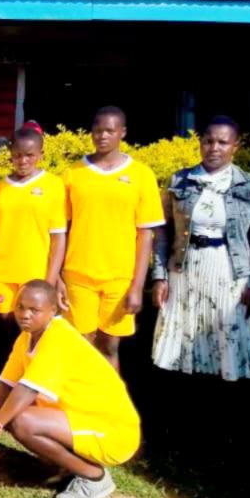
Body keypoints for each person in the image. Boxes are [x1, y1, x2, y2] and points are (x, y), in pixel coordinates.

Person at [0, 280, 141, 498]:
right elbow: (6, 383)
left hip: (113, 432)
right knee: (13, 412)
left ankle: (94, 478)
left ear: (52, 311)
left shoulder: (58, 337)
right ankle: (72, 463)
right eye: (20, 307)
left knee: (21, 420)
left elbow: (26, 390)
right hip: (79, 416)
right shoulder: (28, 337)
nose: (25, 315)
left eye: (34, 310)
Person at [151, 116, 250, 381]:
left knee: (226, 339)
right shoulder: (180, 180)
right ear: (200, 143)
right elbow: (162, 232)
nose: (214, 148)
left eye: (222, 142)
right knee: (183, 342)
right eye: (208, 141)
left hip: (228, 272)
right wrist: (159, 276)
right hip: (184, 270)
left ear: (235, 147)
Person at [58, 107, 165, 370]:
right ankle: (79, 406)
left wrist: (138, 285)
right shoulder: (73, 173)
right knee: (80, 345)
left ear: (122, 133)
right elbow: (62, 230)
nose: (103, 136)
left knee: (109, 347)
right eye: (98, 130)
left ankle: (109, 407)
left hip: (119, 277)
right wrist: (57, 276)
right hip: (78, 275)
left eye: (110, 130)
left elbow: (145, 235)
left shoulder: (141, 175)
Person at [0, 127, 66, 316]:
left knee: (32, 326)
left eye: (29, 155)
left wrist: (50, 281)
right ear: (11, 155)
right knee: (5, 324)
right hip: (1, 273)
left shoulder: (53, 186)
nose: (23, 161)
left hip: (35, 272)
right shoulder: (0, 187)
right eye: (17, 155)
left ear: (41, 155)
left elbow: (58, 238)